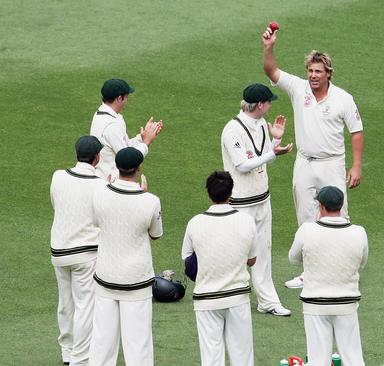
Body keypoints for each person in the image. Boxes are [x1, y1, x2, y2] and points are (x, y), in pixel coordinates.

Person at [262, 25, 365, 289]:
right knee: (306, 216)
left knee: (338, 214)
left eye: (318, 71)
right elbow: (271, 71)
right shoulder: (299, 89)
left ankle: (346, 268)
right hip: (305, 162)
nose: (313, 75)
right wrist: (269, 46)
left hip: (332, 163)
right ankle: (310, 272)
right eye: (310, 70)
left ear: (329, 73)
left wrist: (356, 166)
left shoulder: (343, 98)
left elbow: (356, 131)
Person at [220, 83, 293, 316]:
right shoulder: (232, 130)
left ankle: (267, 300)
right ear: (260, 105)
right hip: (241, 201)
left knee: (264, 249)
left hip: (262, 197)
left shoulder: (261, 124)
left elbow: (262, 159)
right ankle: (230, 297)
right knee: (239, 251)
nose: (271, 106)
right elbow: (242, 165)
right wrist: (273, 153)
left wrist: (274, 143)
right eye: (269, 102)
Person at [89, 147, 163, 366]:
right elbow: (156, 234)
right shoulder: (150, 200)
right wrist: (145, 194)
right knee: (138, 346)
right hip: (136, 281)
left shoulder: (100, 192)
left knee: (102, 344)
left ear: (117, 168)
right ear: (139, 169)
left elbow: (96, 222)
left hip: (105, 277)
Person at [181, 171, 258, 366]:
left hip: (206, 298)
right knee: (243, 357)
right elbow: (252, 260)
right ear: (231, 192)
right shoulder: (246, 220)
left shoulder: (194, 223)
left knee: (211, 358)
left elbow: (188, 262)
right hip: (237, 297)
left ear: (209, 194)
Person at [288, 186, 368, 366]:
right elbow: (361, 263)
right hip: (346, 302)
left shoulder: (307, 230)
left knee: (318, 360)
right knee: (353, 357)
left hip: (315, 303)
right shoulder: (359, 232)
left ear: (321, 207)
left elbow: (293, 258)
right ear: (341, 206)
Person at [50, 136, 105, 366]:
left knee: (66, 303)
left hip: (59, 250)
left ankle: (67, 352)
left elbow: (57, 204)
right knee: (85, 306)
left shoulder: (58, 176)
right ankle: (80, 359)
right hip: (86, 253)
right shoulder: (101, 183)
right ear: (97, 158)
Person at [90, 78, 163, 180]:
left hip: (104, 180)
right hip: (110, 184)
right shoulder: (111, 125)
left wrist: (141, 138)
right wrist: (146, 142)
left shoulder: (101, 114)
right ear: (119, 98)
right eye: (126, 97)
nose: (127, 100)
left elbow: (123, 147)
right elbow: (128, 160)